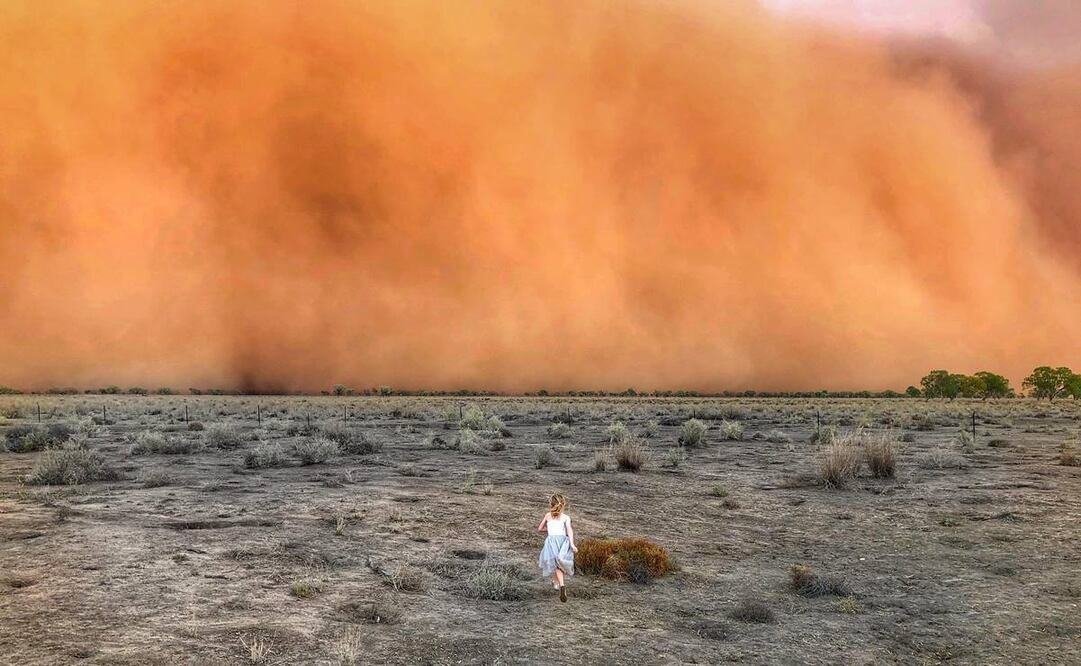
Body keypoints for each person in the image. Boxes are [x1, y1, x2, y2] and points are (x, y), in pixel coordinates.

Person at [537, 493, 577, 602]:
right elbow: (569, 531)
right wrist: (572, 544)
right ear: (563, 504)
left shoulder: (548, 515)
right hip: (563, 541)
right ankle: (559, 583)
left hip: (551, 541)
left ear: (551, 504)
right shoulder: (566, 517)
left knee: (554, 563)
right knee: (560, 563)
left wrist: (549, 530)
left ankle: (560, 584)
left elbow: (540, 529)